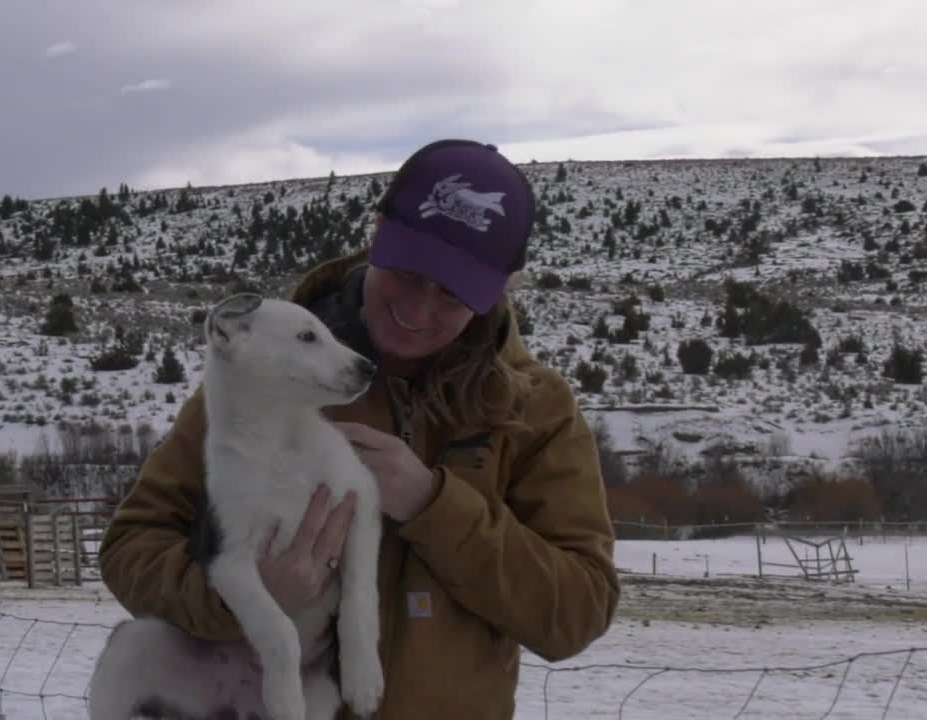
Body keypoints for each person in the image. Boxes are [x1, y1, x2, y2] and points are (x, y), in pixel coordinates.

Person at [98, 138, 620, 719]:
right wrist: (243, 599)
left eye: (453, 292)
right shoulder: (263, 369)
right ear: (376, 234)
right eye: (407, 271)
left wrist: (435, 506)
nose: (418, 311)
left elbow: (578, 610)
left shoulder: (536, 410)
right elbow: (131, 547)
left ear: (501, 289)